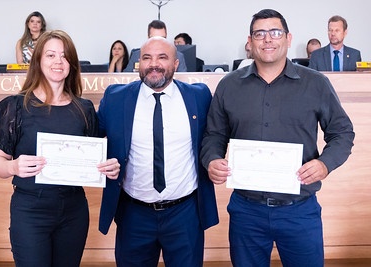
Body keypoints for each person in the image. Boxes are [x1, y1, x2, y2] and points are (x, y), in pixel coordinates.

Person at [201, 9, 354, 267]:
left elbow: (342, 133)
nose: (267, 39)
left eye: (275, 32)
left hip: (299, 210)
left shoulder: (315, 83)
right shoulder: (229, 85)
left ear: (288, 38)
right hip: (246, 210)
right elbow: (213, 135)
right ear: (249, 42)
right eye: (259, 34)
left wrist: (324, 164)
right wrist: (212, 160)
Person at [0, 30, 120, 267]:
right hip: (30, 211)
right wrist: (12, 166)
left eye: (64, 56)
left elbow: (95, 158)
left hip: (73, 211)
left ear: (71, 63)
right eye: (50, 55)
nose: (58, 61)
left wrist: (108, 167)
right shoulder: (16, 106)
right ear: (38, 60)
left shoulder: (85, 109)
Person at [97, 36, 219, 266]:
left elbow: (215, 136)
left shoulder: (199, 96)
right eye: (147, 58)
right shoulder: (115, 98)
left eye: (162, 57)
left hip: (185, 214)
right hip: (134, 214)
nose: (154, 64)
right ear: (139, 63)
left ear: (175, 64)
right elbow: (90, 139)